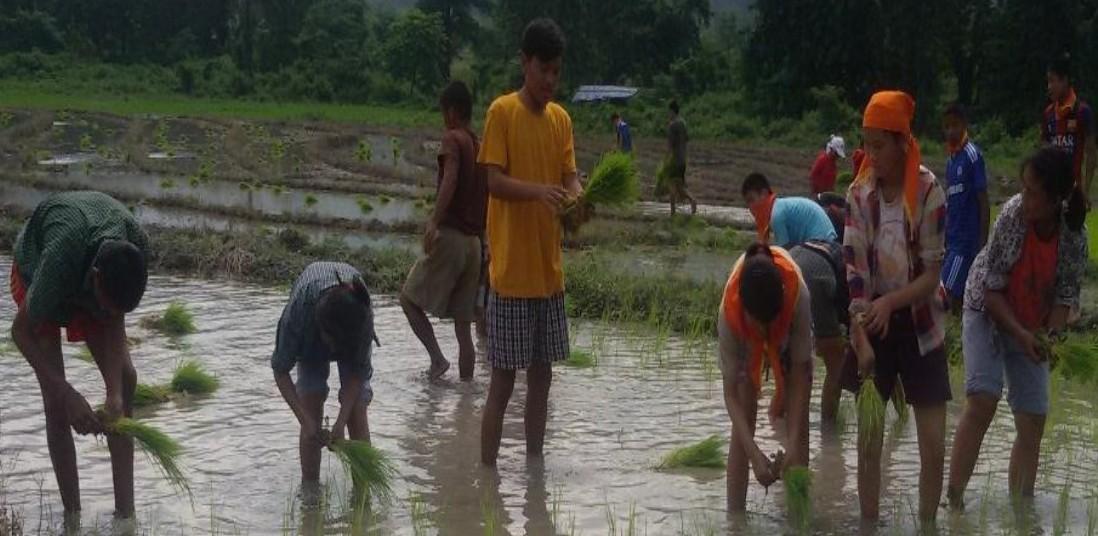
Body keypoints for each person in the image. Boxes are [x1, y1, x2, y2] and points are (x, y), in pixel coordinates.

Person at [947, 148, 1088, 509]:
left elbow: (1064, 296)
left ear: (1056, 200)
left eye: (1032, 193)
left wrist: (1049, 339)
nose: (1023, 198)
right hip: (987, 307)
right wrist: (1021, 335)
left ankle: (1021, 512)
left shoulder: (1073, 235)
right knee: (983, 400)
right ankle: (954, 501)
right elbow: (992, 291)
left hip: (1032, 317)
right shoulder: (1013, 215)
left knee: (1034, 418)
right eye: (1023, 189)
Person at [476, 18, 583, 467]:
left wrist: (578, 199)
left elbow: (570, 176)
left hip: (548, 275)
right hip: (513, 276)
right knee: (502, 383)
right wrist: (539, 192)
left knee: (542, 379)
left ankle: (534, 469)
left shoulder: (561, 120)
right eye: (544, 71)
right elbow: (494, 182)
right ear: (525, 63)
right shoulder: (502, 112)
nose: (551, 81)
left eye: (557, 72)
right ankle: (486, 476)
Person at [842, 91, 950, 523]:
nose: (871, 154)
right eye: (866, 143)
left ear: (903, 142)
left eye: (879, 145)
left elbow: (931, 275)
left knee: (934, 442)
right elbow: (854, 277)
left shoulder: (928, 191)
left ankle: (927, 525)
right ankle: (869, 525)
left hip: (921, 320)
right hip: (873, 322)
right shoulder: (859, 192)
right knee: (868, 439)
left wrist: (891, 301)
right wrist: (861, 336)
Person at [10, 190, 149, 519]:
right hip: (38, 271)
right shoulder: (59, 260)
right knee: (55, 403)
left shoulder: (135, 246)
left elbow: (115, 316)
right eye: (104, 305)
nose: (106, 314)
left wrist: (114, 394)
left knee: (126, 381)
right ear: (96, 278)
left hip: (90, 272)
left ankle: (125, 517)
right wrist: (67, 392)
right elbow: (20, 332)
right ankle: (73, 517)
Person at [742, 173, 847, 423]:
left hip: (818, 253)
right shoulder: (780, 210)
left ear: (766, 194)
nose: (751, 207)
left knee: (820, 359)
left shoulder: (777, 214)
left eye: (753, 199)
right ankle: (819, 430)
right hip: (821, 258)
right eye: (747, 202)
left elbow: (784, 258)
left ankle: (802, 423)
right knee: (822, 356)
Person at [401, 80, 487, 381]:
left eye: (443, 112)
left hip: (451, 238)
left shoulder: (453, 139)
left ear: (452, 112)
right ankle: (466, 398)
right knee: (463, 327)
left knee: (408, 300)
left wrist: (434, 221)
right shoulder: (479, 145)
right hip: (474, 245)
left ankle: (437, 360)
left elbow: (449, 179)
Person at [719, 243, 813, 512]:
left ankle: (797, 519)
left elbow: (800, 378)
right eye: (758, 322)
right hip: (744, 338)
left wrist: (793, 444)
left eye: (768, 323)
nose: (764, 330)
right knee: (743, 424)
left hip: (788, 332)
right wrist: (755, 454)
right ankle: (735, 521)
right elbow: (730, 395)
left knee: (799, 425)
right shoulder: (730, 313)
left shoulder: (797, 297)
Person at [272, 262, 378, 488]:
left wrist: (340, 422)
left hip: (350, 329)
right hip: (309, 339)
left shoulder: (361, 318)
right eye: (330, 342)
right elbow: (280, 371)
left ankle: (363, 494)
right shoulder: (299, 314)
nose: (332, 350)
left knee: (357, 411)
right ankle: (310, 494)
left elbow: (357, 373)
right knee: (310, 406)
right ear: (321, 329)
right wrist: (305, 421)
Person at [942, 102, 991, 311]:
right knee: (957, 294)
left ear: (964, 124)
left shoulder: (973, 156)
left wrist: (982, 241)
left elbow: (983, 200)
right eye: (947, 126)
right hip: (953, 239)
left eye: (955, 125)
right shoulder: (950, 161)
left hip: (967, 241)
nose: (951, 131)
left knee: (947, 292)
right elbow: (951, 202)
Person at [1042, 55, 1096, 205]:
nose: (1049, 87)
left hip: (1073, 193)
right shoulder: (1048, 114)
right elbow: (1043, 153)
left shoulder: (1082, 112)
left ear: (1064, 80)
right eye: (1048, 81)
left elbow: (1091, 152)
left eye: (1052, 81)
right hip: (1051, 192)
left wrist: (1086, 189)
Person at [666, 100, 697, 216]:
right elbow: (687, 139)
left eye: (669, 111)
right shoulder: (683, 123)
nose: (668, 114)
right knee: (678, 185)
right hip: (683, 159)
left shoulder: (672, 125)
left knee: (673, 185)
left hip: (675, 160)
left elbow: (670, 145)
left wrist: (666, 160)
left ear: (672, 111)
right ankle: (673, 211)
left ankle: (690, 201)